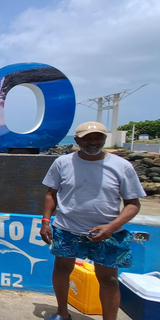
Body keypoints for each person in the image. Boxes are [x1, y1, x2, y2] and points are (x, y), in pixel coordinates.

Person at [40, 121, 146, 320]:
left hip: (108, 233)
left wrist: (111, 227)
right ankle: (62, 313)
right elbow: (51, 193)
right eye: (86, 138)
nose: (92, 142)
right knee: (62, 269)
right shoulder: (62, 162)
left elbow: (133, 204)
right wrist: (46, 221)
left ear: (105, 139)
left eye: (98, 137)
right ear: (77, 140)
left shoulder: (122, 166)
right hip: (66, 228)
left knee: (109, 280)